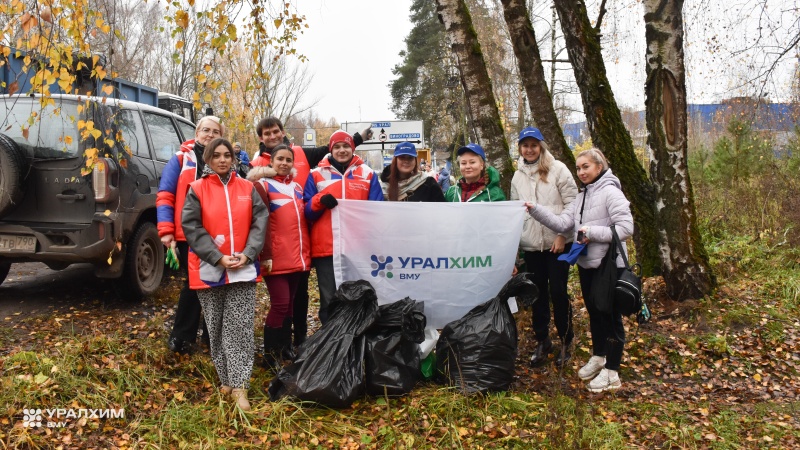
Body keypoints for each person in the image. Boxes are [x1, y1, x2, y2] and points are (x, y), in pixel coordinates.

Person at [249, 118, 372, 347]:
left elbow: (333, 148)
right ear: (261, 139)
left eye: (276, 131)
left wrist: (358, 138)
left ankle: (298, 343)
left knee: (298, 299)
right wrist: (261, 253)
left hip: (301, 250)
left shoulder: (297, 180)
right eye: (267, 133)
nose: (272, 135)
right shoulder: (259, 178)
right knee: (282, 303)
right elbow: (256, 218)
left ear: (283, 133)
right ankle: (275, 350)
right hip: (277, 252)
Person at [525, 147, 634, 393]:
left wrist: (591, 233)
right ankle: (599, 356)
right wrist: (535, 209)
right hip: (587, 264)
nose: (581, 172)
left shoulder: (610, 192)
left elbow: (626, 228)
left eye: (586, 166)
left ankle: (612, 372)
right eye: (578, 168)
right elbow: (564, 223)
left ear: (599, 166)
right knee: (595, 313)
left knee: (610, 316)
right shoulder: (583, 196)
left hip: (609, 265)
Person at [181, 138, 268, 410]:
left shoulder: (247, 187)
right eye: (216, 155)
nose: (222, 160)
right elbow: (192, 227)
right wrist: (217, 257)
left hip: (242, 269)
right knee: (216, 329)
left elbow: (260, 221)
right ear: (207, 159)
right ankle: (226, 380)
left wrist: (249, 253)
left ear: (233, 158)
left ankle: (240, 386)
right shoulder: (196, 189)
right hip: (210, 270)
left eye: (226, 155)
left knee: (239, 328)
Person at [510, 127, 578, 368]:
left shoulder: (558, 169)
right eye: (525, 145)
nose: (529, 150)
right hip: (531, 245)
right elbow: (515, 212)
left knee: (558, 292)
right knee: (536, 293)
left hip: (557, 244)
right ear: (520, 148)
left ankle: (566, 340)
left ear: (541, 146)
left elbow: (573, 204)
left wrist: (563, 234)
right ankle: (543, 340)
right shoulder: (517, 176)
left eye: (534, 145)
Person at [157, 115, 223, 355]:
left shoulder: (225, 162)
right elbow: (166, 195)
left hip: (219, 236)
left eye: (215, 132)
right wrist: (166, 231)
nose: (209, 135)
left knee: (216, 284)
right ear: (197, 132)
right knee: (194, 284)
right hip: (188, 235)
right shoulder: (180, 160)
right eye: (206, 130)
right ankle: (182, 338)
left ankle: (211, 337)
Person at [304, 130, 384, 324]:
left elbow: (377, 211)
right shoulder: (315, 175)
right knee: (329, 299)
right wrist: (319, 200)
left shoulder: (368, 174)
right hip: (326, 249)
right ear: (331, 150)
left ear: (353, 147)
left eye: (346, 146)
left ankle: (356, 341)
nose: (341, 150)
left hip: (358, 248)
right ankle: (331, 345)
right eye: (337, 147)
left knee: (359, 296)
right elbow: (307, 211)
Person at [249, 144, 311, 369]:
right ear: (271, 162)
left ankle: (285, 348)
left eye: (288, 160)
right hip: (275, 257)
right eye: (280, 159)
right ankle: (270, 354)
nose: (284, 163)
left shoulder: (296, 187)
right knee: (280, 304)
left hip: (297, 256)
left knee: (291, 305)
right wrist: (265, 254)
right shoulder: (262, 185)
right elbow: (259, 223)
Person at [380, 142, 446, 202]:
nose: (406, 161)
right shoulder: (382, 188)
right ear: (395, 160)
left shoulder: (429, 184)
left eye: (410, 157)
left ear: (415, 161)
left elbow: (442, 210)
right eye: (402, 157)